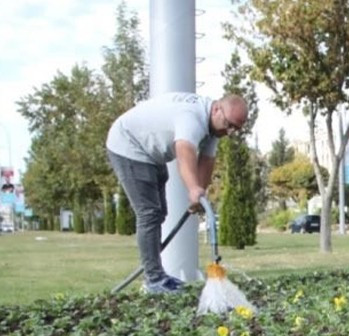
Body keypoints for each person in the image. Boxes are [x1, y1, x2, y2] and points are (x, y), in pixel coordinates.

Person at [106, 92, 249, 294]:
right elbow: (185, 151)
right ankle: (154, 280)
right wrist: (193, 189)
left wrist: (200, 192)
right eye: (229, 124)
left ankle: (157, 275)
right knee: (149, 213)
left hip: (151, 152)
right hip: (128, 143)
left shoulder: (215, 127)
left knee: (159, 212)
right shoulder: (192, 117)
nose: (231, 131)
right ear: (217, 109)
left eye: (236, 128)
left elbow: (206, 160)